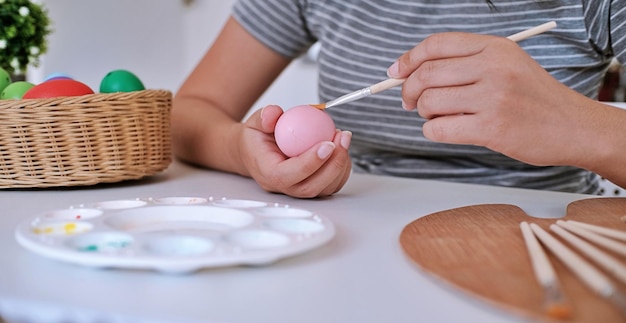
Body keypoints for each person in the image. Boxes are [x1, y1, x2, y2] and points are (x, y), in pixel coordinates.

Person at [172, 0, 626, 198]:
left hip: (540, 231)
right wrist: (244, 152)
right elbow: (187, 115)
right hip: (357, 224)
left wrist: (575, 125)